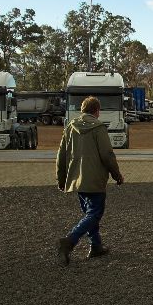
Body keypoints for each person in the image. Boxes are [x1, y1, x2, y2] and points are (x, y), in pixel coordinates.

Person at [55, 96, 124, 266]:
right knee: (94, 213)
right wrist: (117, 175)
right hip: (95, 179)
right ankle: (69, 240)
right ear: (97, 111)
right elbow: (107, 155)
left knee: (89, 214)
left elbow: (61, 156)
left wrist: (61, 179)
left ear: (82, 110)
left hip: (77, 179)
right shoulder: (98, 128)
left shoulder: (70, 127)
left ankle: (96, 246)